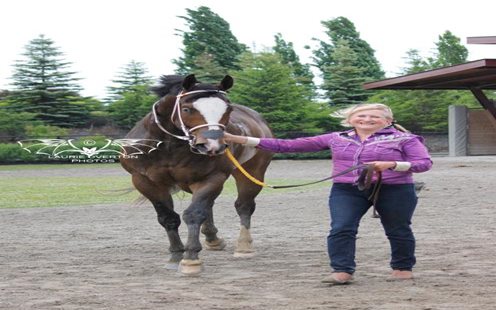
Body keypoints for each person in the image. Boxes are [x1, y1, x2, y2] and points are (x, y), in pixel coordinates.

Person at [223, 103, 432, 285]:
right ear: (350, 119)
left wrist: (393, 164)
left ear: (387, 121)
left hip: (395, 189)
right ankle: (342, 271)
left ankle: (402, 268)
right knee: (341, 227)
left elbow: (424, 164)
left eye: (374, 116)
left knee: (398, 229)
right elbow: (287, 145)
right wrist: (237, 139)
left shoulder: (406, 139)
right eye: (362, 115)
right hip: (347, 189)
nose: (367, 119)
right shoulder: (336, 138)